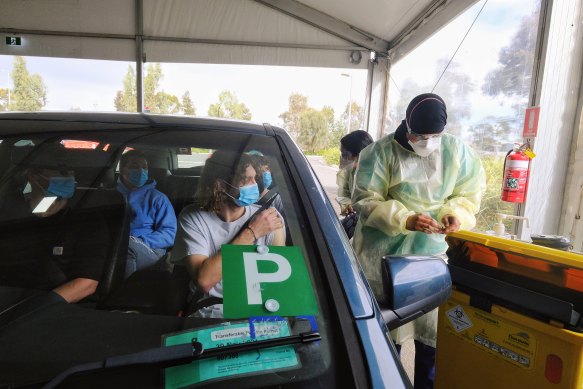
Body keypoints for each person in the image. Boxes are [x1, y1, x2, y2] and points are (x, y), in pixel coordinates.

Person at [352, 93, 486, 389]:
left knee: (431, 338)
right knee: (386, 337)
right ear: (407, 127)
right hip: (383, 258)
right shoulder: (381, 152)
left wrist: (455, 214)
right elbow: (364, 199)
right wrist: (405, 219)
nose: (427, 141)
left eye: (433, 136)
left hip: (430, 259)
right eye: (420, 135)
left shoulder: (455, 151)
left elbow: (468, 192)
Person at [171, 150, 285, 318]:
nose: (255, 186)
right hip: (208, 312)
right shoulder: (193, 217)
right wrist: (252, 233)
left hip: (257, 312)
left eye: (255, 179)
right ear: (221, 185)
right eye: (246, 180)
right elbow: (205, 281)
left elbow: (279, 283)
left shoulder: (269, 218)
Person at [0, 144, 109, 303]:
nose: (70, 177)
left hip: (56, 308)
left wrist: (35, 307)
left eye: (71, 172)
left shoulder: (89, 222)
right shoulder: (10, 215)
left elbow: (86, 284)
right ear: (33, 176)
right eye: (63, 172)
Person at [117, 150, 177, 278]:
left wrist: (140, 241)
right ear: (122, 170)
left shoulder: (158, 198)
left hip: (151, 250)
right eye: (134, 167)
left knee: (128, 247)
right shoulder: (111, 195)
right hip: (113, 245)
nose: (141, 171)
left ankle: (126, 293)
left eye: (144, 167)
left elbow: (170, 233)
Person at [336, 130, 374, 216]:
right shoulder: (350, 173)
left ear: (359, 155)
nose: (341, 159)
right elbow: (343, 193)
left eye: (345, 155)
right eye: (341, 154)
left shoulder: (376, 176)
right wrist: (347, 204)